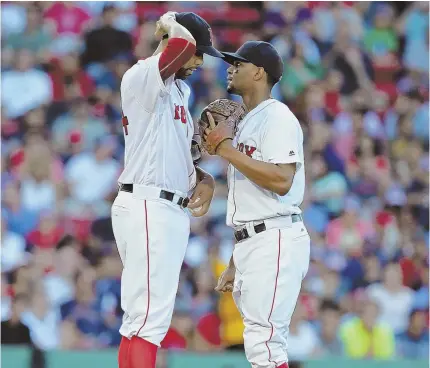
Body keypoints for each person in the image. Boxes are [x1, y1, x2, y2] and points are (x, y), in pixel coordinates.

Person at [111, 11, 223, 368]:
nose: (200, 60)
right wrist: (172, 21)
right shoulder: (143, 75)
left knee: (140, 322)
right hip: (149, 205)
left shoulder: (179, 89)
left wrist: (202, 178)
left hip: (163, 205)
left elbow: (176, 156)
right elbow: (181, 45)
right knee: (149, 322)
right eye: (198, 52)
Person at [207, 41, 311, 368]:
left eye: (239, 63)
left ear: (259, 72)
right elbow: (252, 203)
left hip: (276, 236)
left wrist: (225, 151)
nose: (231, 67)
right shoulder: (246, 121)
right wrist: (237, 261)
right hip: (255, 240)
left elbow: (282, 181)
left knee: (265, 342)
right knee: (259, 342)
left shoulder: (277, 117)